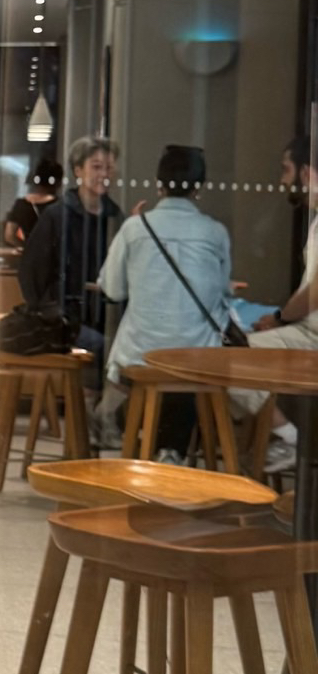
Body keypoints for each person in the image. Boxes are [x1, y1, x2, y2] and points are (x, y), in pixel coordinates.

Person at [96, 146, 231, 452]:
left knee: (130, 338)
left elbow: (113, 290)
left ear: (159, 185)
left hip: (142, 355)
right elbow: (223, 291)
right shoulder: (215, 233)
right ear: (198, 189)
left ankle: (112, 419)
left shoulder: (134, 228)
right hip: (197, 357)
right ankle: (176, 450)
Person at [229, 134, 318, 468]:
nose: (282, 180)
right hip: (306, 330)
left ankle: (289, 438)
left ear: (306, 172)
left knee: (227, 360)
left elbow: (314, 293)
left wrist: (280, 319)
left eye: (286, 170)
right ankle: (265, 441)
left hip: (313, 337)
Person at [18, 134, 122, 357]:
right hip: (64, 321)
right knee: (107, 349)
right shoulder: (57, 216)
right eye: (96, 167)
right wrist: (52, 316)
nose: (104, 174)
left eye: (109, 168)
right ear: (78, 171)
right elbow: (32, 273)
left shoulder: (116, 218)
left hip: (107, 318)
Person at [3, 156, 63, 246]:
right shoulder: (59, 205)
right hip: (53, 252)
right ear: (57, 182)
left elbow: (9, 235)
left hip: (30, 252)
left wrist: (27, 247)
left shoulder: (21, 204)